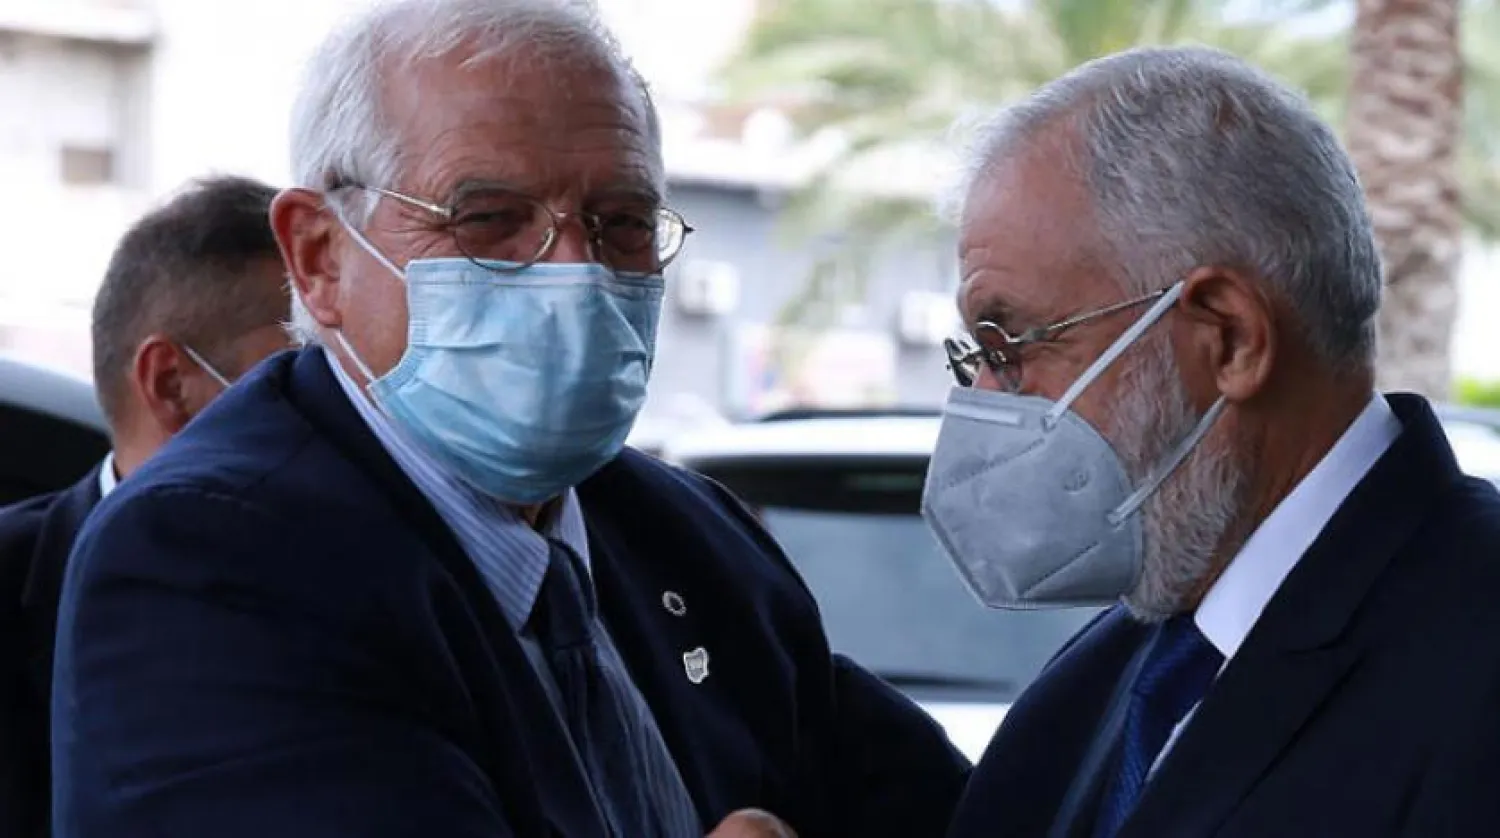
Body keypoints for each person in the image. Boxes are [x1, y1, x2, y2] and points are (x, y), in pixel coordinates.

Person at [49, 2, 968, 837]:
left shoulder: (689, 536)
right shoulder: (212, 560)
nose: (573, 271)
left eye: (621, 222)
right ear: (320, 258)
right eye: (488, 218)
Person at [926, 45, 1500, 838]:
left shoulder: (1474, 663)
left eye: (1012, 342)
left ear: (1229, 339)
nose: (986, 399)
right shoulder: (1106, 678)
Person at [0, 174, 291, 838]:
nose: (352, 405)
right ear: (170, 384)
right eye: (303, 369)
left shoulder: (401, 577)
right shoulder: (15, 590)